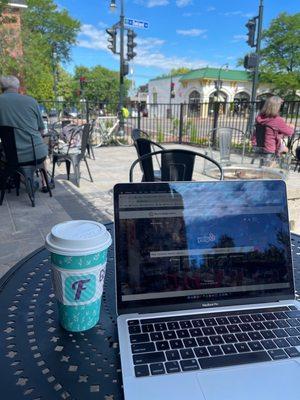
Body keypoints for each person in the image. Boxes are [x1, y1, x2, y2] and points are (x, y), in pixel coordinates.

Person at [0, 75, 51, 192]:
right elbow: (41, 130)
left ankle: (21, 181)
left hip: (11, 157)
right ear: (18, 87)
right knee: (40, 148)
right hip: (36, 154)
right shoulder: (31, 101)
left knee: (8, 157)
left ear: (2, 88)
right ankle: (44, 183)